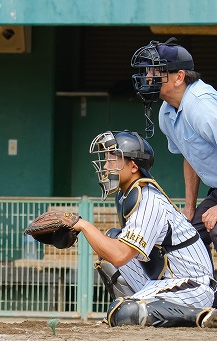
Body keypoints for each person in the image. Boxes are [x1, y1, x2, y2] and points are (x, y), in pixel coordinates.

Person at [73, 130, 217, 327]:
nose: (106, 167)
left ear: (133, 166)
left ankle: (202, 315)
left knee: (124, 312)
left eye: (112, 160)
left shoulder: (148, 199)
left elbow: (120, 255)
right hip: (165, 280)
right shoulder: (127, 195)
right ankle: (135, 311)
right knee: (112, 239)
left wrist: (82, 225)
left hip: (192, 286)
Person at [130, 38, 217, 254]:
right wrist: (189, 207)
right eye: (147, 71)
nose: (148, 77)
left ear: (179, 77)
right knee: (188, 239)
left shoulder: (201, 105)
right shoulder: (166, 112)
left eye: (155, 71)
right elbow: (190, 156)